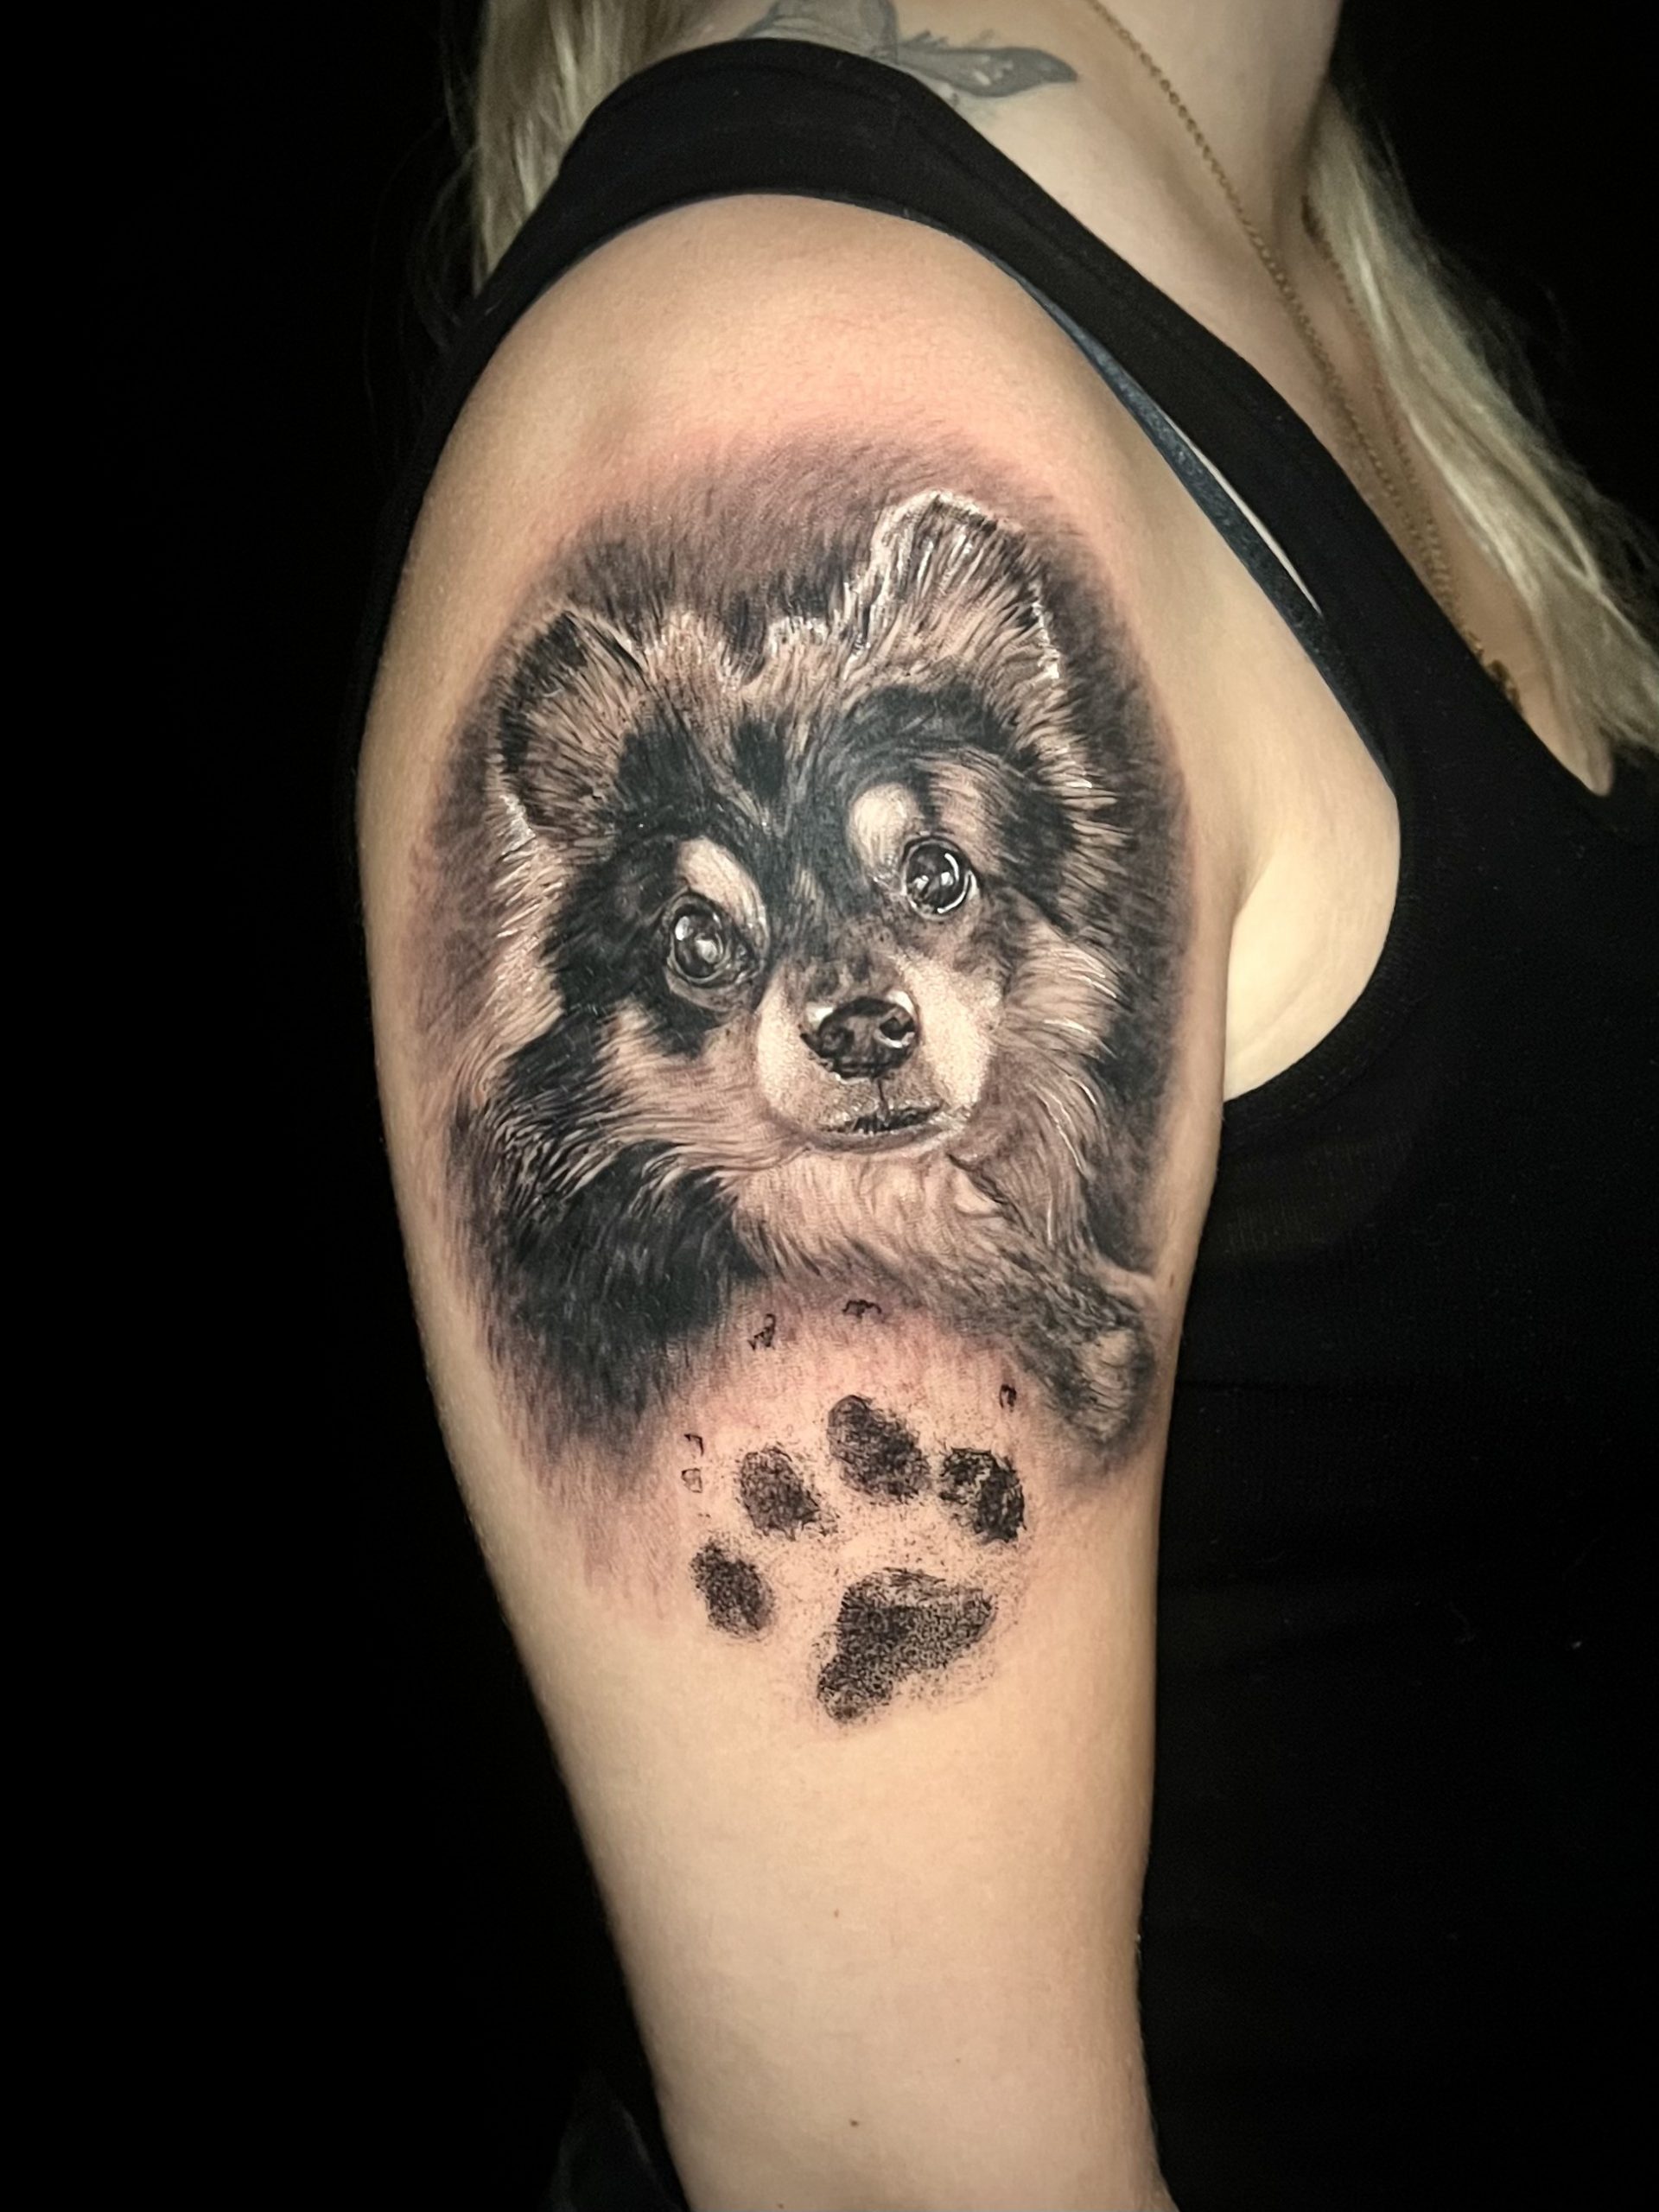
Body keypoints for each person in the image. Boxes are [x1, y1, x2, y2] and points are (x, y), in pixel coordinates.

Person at [353, 4, 1657, 2204]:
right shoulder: (811, 369)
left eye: (927, 882)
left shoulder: (1287, 261)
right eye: (718, 944)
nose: (851, 1005)